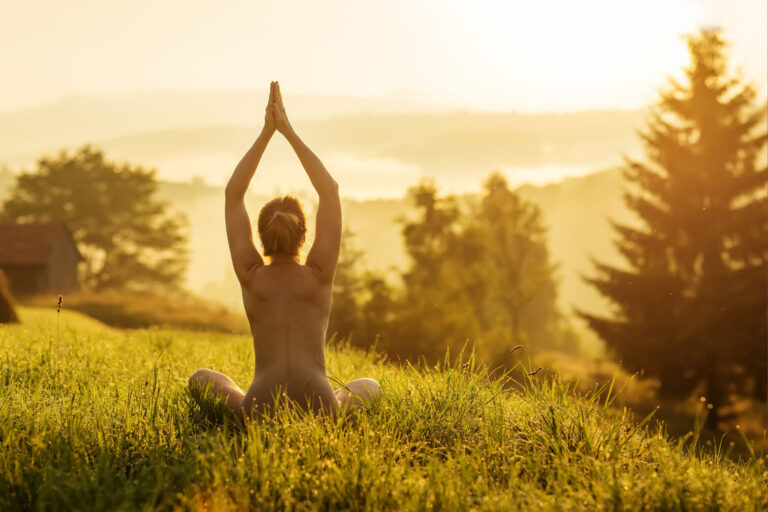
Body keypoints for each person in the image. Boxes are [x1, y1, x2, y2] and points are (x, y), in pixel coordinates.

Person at [188, 81, 380, 418]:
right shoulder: (319, 275)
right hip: (321, 405)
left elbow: (234, 193)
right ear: (304, 237)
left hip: (259, 407)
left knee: (201, 379)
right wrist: (288, 131)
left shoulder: (251, 275)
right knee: (369, 386)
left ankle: (241, 407)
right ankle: (335, 404)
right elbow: (330, 192)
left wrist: (266, 133)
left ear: (260, 239)